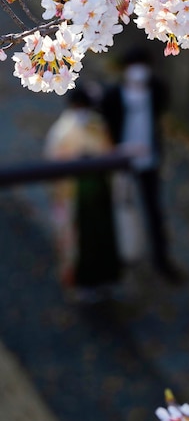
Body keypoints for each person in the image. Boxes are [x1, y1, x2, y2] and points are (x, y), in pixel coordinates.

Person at [100, 46, 184, 283]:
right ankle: (119, 258)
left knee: (154, 210)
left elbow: (161, 109)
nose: (138, 72)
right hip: (120, 160)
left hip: (149, 159)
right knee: (118, 208)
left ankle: (161, 259)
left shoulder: (156, 89)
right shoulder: (113, 95)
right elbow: (106, 124)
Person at [44, 85, 125, 303]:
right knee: (79, 243)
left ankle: (106, 279)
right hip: (75, 196)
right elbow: (54, 165)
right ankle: (83, 284)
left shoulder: (97, 126)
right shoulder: (62, 132)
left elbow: (109, 153)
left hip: (100, 193)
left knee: (104, 238)